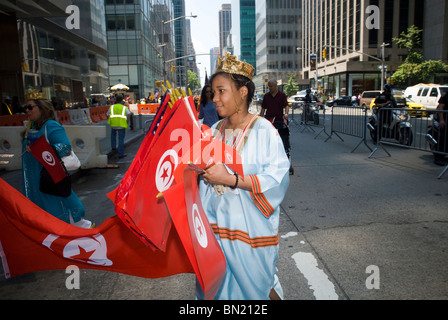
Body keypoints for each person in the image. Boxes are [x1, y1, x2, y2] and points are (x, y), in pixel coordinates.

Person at [198, 52, 290, 300]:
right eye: (212, 92)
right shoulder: (214, 130)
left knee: (258, 289)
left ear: (242, 92)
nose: (214, 98)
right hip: (215, 230)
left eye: (221, 91)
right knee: (218, 290)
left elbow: (278, 179)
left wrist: (230, 179)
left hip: (249, 233)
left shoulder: (264, 131)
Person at [21, 90, 86, 225]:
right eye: (25, 107)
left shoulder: (51, 126)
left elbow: (65, 147)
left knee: (61, 216)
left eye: (30, 107)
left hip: (49, 180)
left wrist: (38, 150)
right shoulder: (32, 126)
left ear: (41, 108)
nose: (27, 110)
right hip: (36, 181)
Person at [107, 94, 132, 158]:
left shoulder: (112, 107)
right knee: (121, 139)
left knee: (113, 136)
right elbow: (129, 114)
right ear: (121, 100)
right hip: (121, 125)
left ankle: (113, 147)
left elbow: (107, 114)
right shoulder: (124, 108)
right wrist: (127, 121)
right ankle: (120, 154)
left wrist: (112, 120)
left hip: (113, 124)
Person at [434, 91, 448, 166]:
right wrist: (442, 120)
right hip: (446, 120)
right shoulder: (446, 95)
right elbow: (441, 107)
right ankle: (438, 157)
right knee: (443, 138)